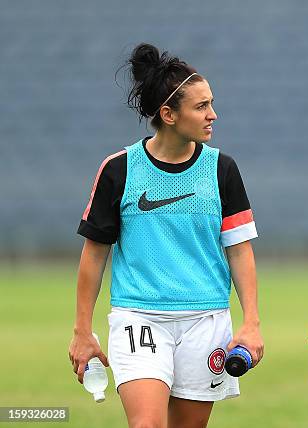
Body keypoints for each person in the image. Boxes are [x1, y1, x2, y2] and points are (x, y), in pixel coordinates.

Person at [69, 43, 263, 428]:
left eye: (211, 103)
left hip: (206, 320)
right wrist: (82, 330)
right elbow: (94, 255)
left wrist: (251, 322)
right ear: (169, 114)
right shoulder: (119, 169)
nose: (213, 115)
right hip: (139, 317)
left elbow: (239, 251)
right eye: (202, 106)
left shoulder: (222, 169)